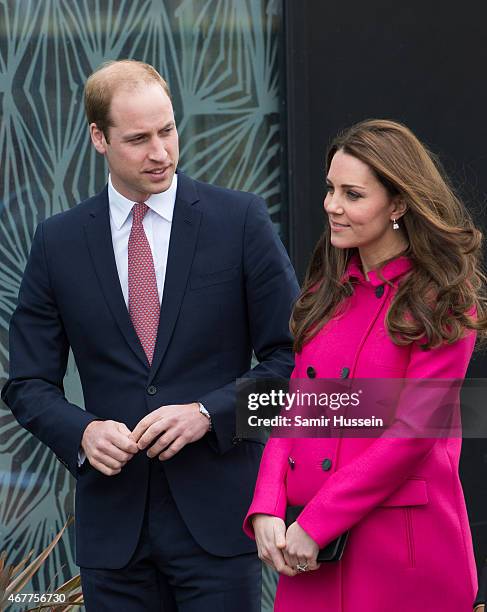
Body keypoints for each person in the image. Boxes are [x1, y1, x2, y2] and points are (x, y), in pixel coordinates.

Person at [2, 59, 299, 611]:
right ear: (98, 137)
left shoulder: (240, 221)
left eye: (167, 130)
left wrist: (210, 413)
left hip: (218, 525)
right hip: (114, 532)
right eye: (138, 139)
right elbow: (26, 384)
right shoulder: (57, 242)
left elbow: (294, 365)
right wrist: (82, 434)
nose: (160, 152)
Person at [243, 119, 487, 611]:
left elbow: (414, 432)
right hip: (310, 555)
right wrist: (268, 502)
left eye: (352, 194)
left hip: (400, 555)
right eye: (330, 189)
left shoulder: (443, 302)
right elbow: (299, 410)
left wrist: (316, 522)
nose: (332, 205)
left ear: (398, 205)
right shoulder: (325, 292)